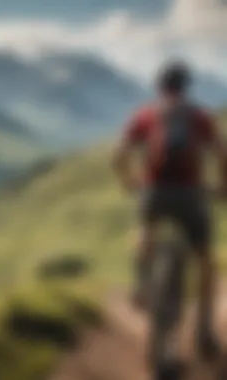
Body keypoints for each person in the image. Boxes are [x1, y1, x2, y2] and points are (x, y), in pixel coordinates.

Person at [112, 60, 227, 360]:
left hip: (155, 193)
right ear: (187, 87)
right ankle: (205, 330)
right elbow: (222, 152)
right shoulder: (199, 116)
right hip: (191, 194)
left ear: (159, 87)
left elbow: (119, 154)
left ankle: (140, 282)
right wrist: (222, 186)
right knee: (205, 260)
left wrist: (130, 183)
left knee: (145, 231)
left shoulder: (145, 115)